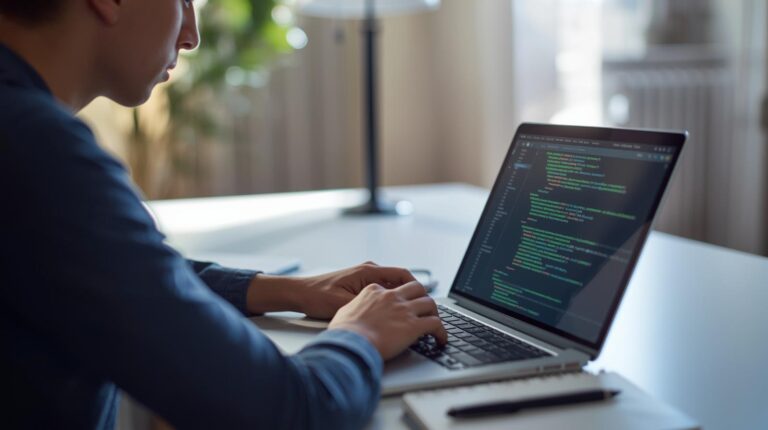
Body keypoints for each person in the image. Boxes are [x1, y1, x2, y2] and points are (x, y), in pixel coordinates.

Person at [0, 1, 447, 429]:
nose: (191, 35)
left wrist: (285, 290)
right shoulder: (40, 155)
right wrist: (361, 333)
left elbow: (113, 271)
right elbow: (287, 411)